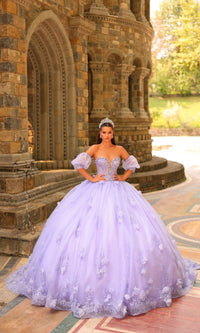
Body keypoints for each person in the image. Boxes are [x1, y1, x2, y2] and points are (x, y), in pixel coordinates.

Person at [6, 117, 199, 319]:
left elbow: (131, 163)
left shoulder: (119, 150)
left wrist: (123, 177)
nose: (107, 135)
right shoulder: (95, 148)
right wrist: (91, 178)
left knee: (126, 230)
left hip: (117, 190)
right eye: (104, 132)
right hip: (96, 190)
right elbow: (79, 163)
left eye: (109, 133)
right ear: (100, 133)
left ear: (113, 134)